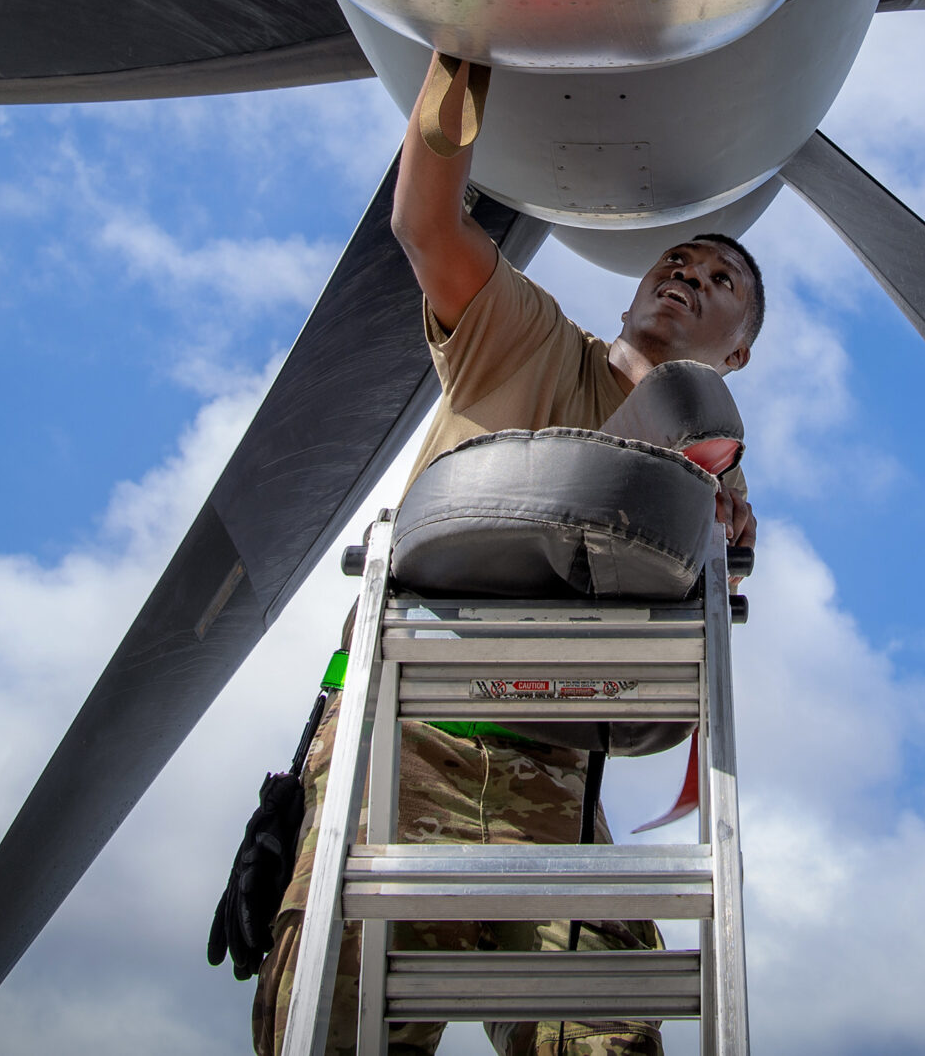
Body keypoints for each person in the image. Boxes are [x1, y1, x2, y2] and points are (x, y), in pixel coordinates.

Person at [252, 54, 763, 1056]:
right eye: (676, 262)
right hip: (405, 741)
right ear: (630, 293)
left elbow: (680, 674)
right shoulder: (522, 336)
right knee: (333, 1019)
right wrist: (461, 55)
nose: (688, 275)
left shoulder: (708, 475)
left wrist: (730, 545)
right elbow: (426, 227)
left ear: (738, 351)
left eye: (720, 279)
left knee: (612, 1038)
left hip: (554, 777)